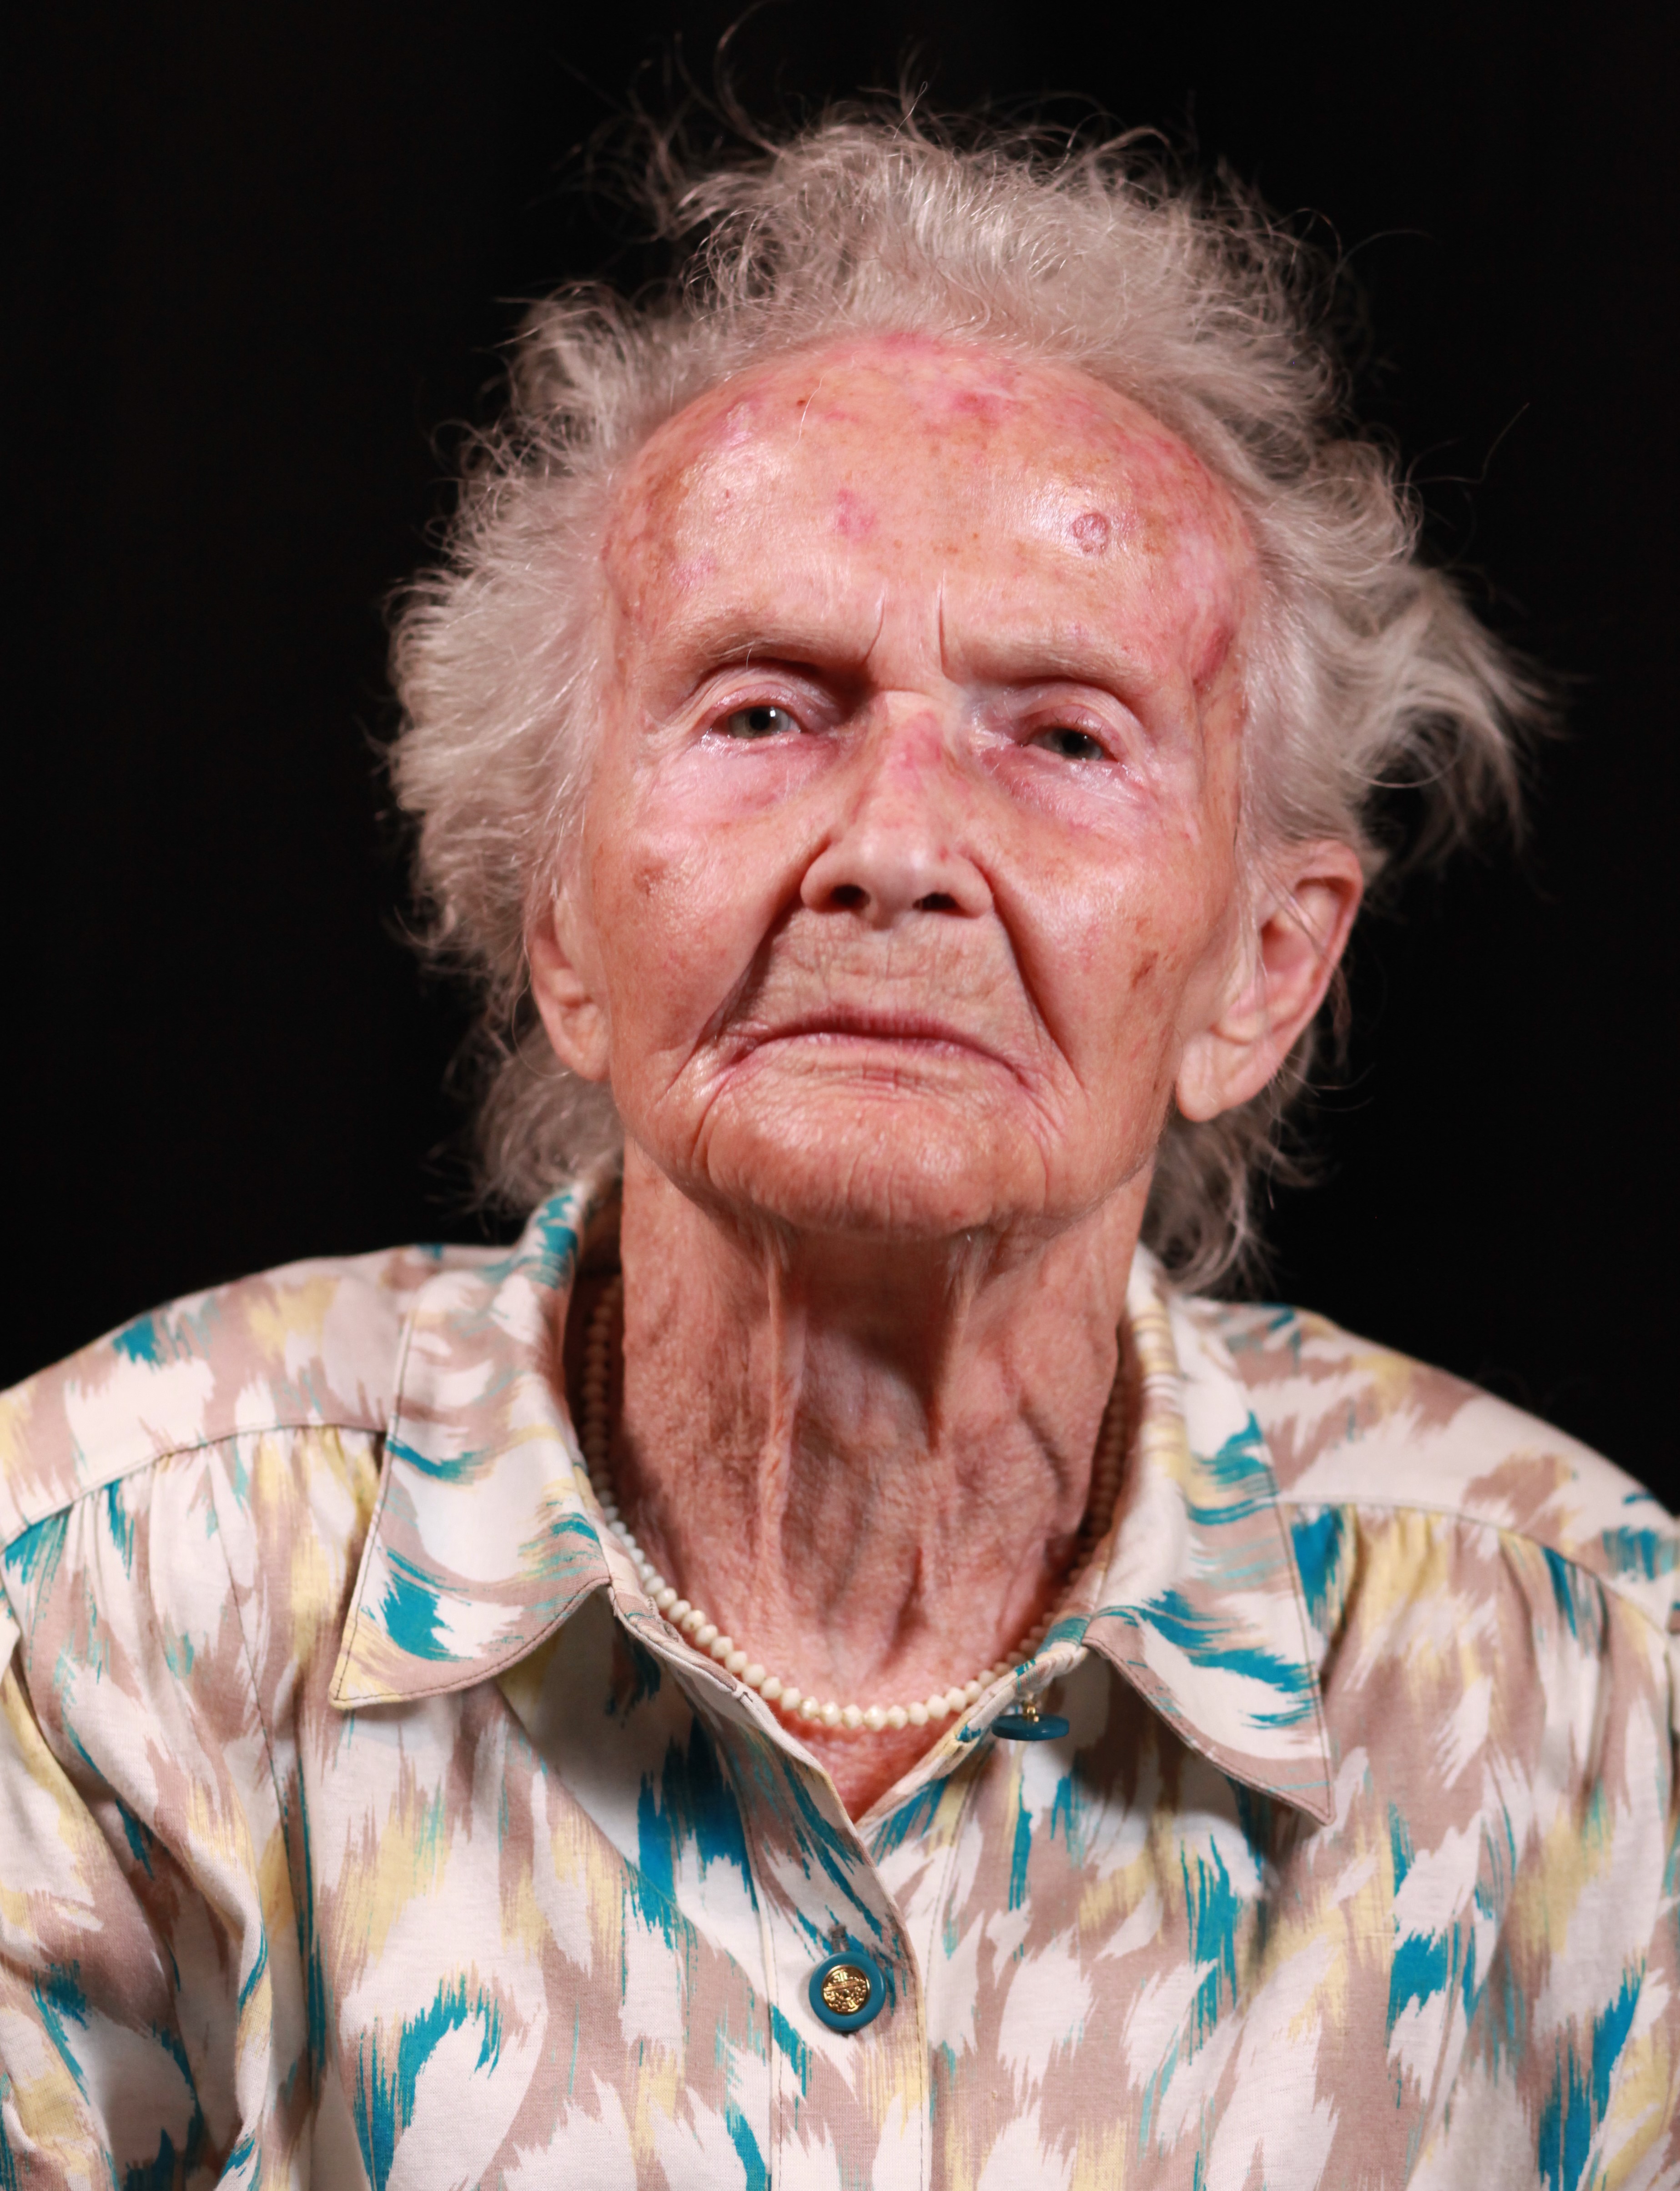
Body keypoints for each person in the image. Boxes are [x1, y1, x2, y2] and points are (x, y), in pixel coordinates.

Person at [1, 114, 1673, 2188]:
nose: (895, 848)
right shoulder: (91, 1589)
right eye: (766, 710)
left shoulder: (1591, 1678)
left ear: (1263, 968)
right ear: (560, 917)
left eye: (1063, 736)